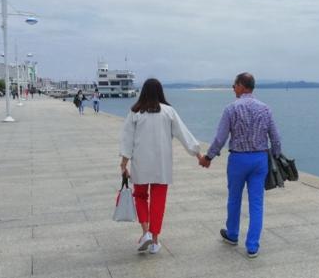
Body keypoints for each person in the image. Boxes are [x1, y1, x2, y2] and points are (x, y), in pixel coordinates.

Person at [198, 72, 282, 258]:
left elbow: (220, 138)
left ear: (242, 86)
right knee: (257, 203)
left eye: (234, 85)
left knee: (234, 198)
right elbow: (275, 137)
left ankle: (233, 234)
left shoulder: (231, 109)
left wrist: (208, 157)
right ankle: (252, 245)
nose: (233, 88)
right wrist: (275, 156)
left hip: (238, 160)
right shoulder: (265, 109)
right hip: (260, 160)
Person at [120, 78, 203, 254]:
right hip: (162, 164)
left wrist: (123, 164)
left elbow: (127, 140)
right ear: (160, 92)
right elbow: (184, 134)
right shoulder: (168, 111)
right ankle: (155, 240)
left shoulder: (135, 112)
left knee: (140, 196)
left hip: (140, 163)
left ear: (143, 92)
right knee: (158, 201)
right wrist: (198, 153)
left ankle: (145, 233)